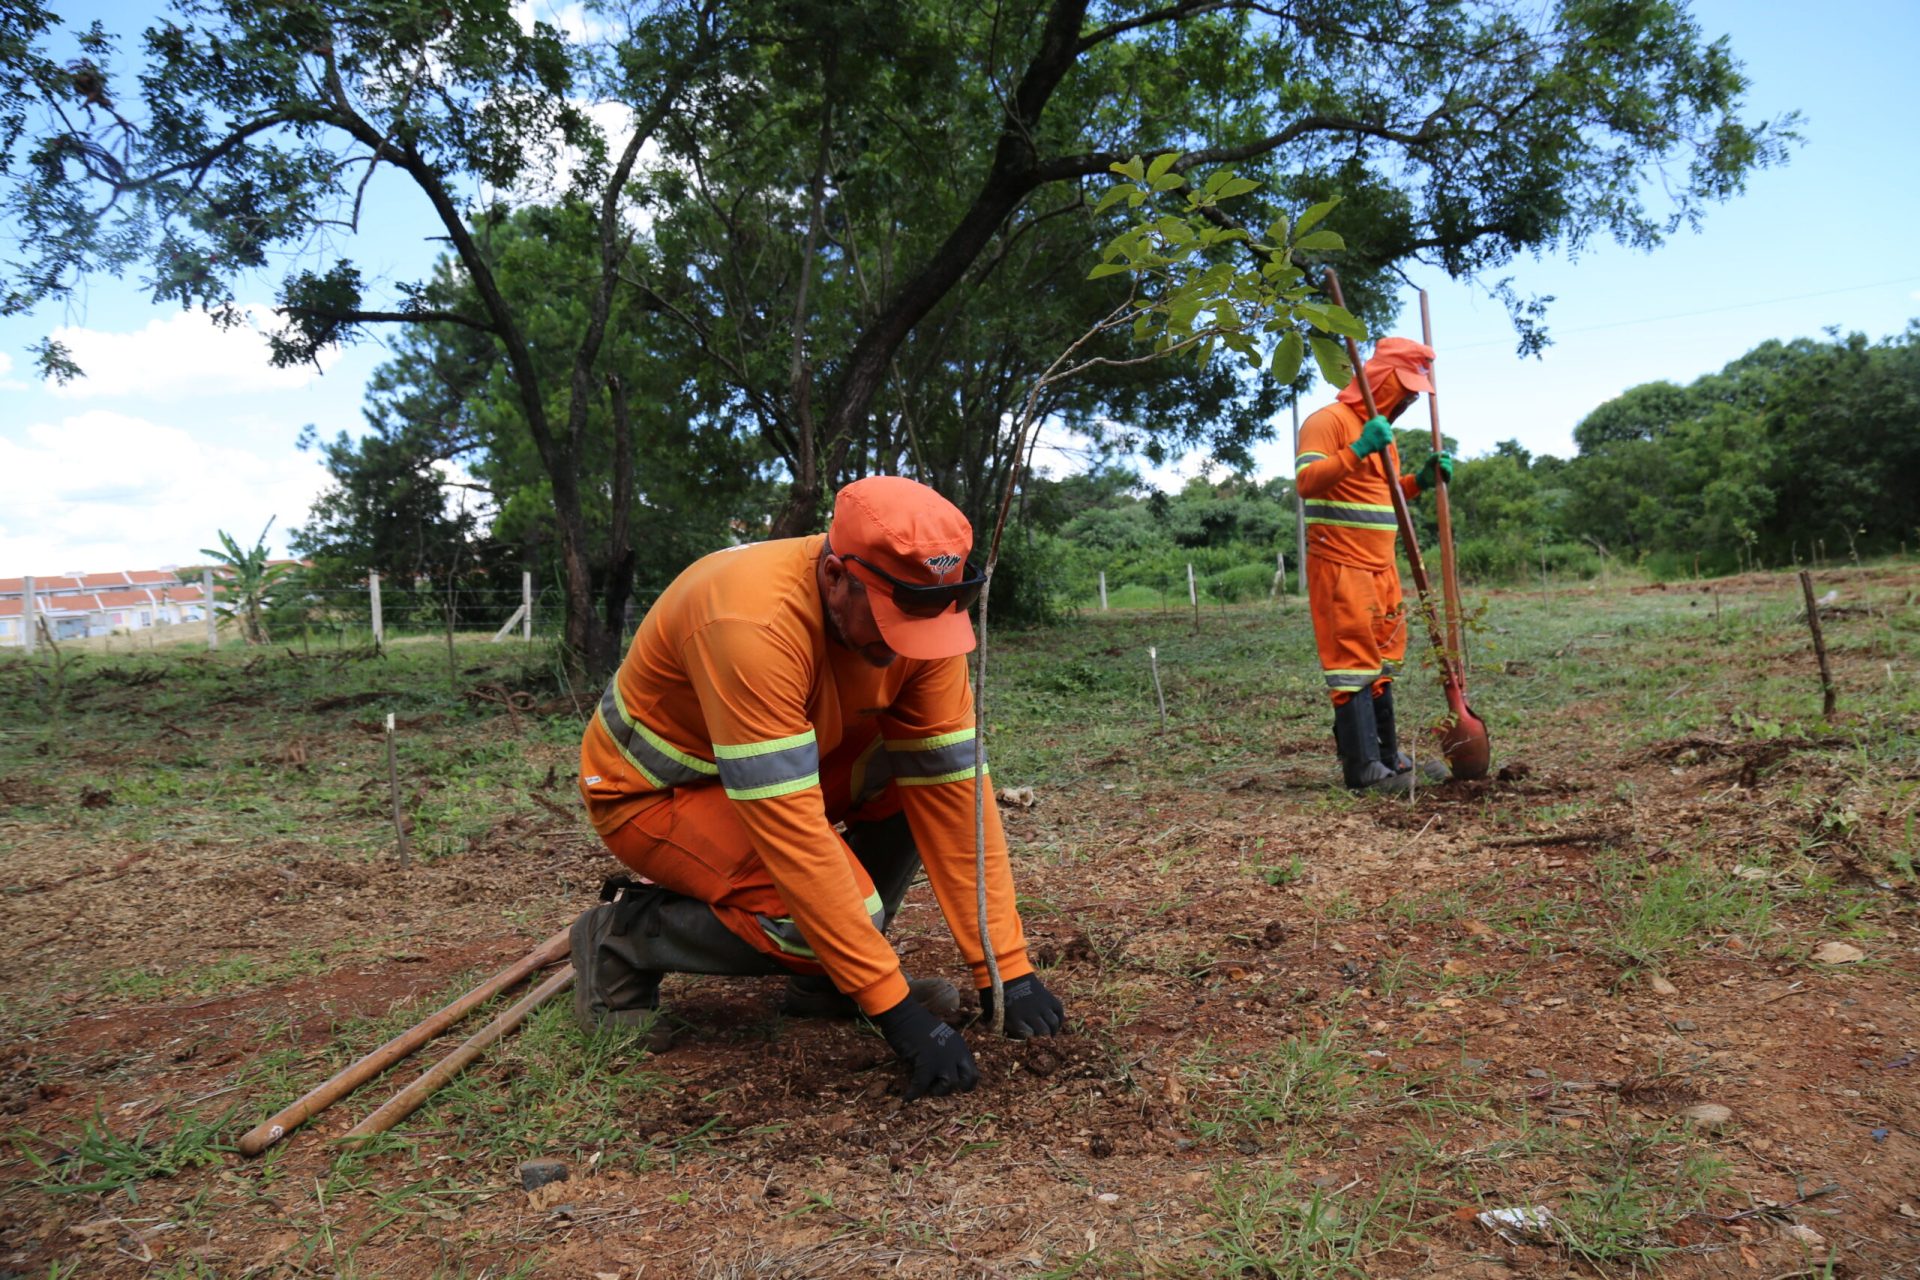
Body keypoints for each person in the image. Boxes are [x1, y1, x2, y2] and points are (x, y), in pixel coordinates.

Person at [572, 475, 1065, 1100]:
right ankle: (622, 940)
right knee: (820, 919)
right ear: (835, 576)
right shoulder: (750, 620)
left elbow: (952, 792)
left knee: (916, 786)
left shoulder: (923, 610)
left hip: (791, 769)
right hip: (661, 794)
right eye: (891, 623)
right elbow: (794, 837)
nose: (906, 648)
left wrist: (1006, 970)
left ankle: (828, 981)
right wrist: (894, 1009)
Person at [1294, 337, 1454, 794]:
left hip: (1381, 567)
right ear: (1379, 381)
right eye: (1403, 389)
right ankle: (1362, 768)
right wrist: (1359, 448)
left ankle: (1389, 759)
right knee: (1352, 663)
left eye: (1414, 393)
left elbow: (1381, 497)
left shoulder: (1386, 433)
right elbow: (1307, 482)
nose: (1408, 399)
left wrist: (1419, 482)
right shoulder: (1328, 422)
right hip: (1340, 562)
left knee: (1381, 663)